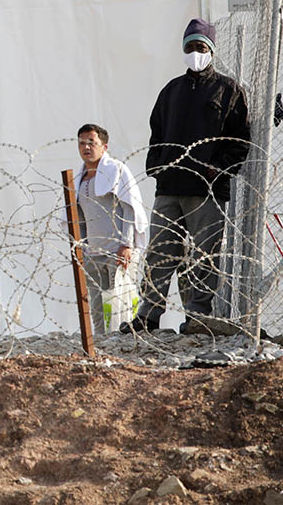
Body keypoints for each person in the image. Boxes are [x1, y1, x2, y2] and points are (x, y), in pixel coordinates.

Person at [121, 18, 251, 334]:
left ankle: (197, 316)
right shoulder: (171, 91)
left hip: (206, 189)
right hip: (170, 187)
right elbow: (157, 133)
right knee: (159, 253)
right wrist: (157, 166)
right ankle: (148, 316)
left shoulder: (228, 90)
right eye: (190, 47)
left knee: (205, 256)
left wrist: (218, 167)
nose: (195, 52)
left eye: (201, 47)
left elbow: (240, 140)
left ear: (211, 51)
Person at [74, 124, 148, 334]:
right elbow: (78, 218)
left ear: (104, 147)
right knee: (97, 304)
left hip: (117, 252)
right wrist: (81, 247)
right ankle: (101, 341)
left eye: (91, 142)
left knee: (122, 299)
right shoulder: (79, 180)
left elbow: (129, 208)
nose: (86, 147)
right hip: (93, 253)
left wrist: (126, 244)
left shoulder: (115, 170)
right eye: (81, 143)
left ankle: (126, 339)